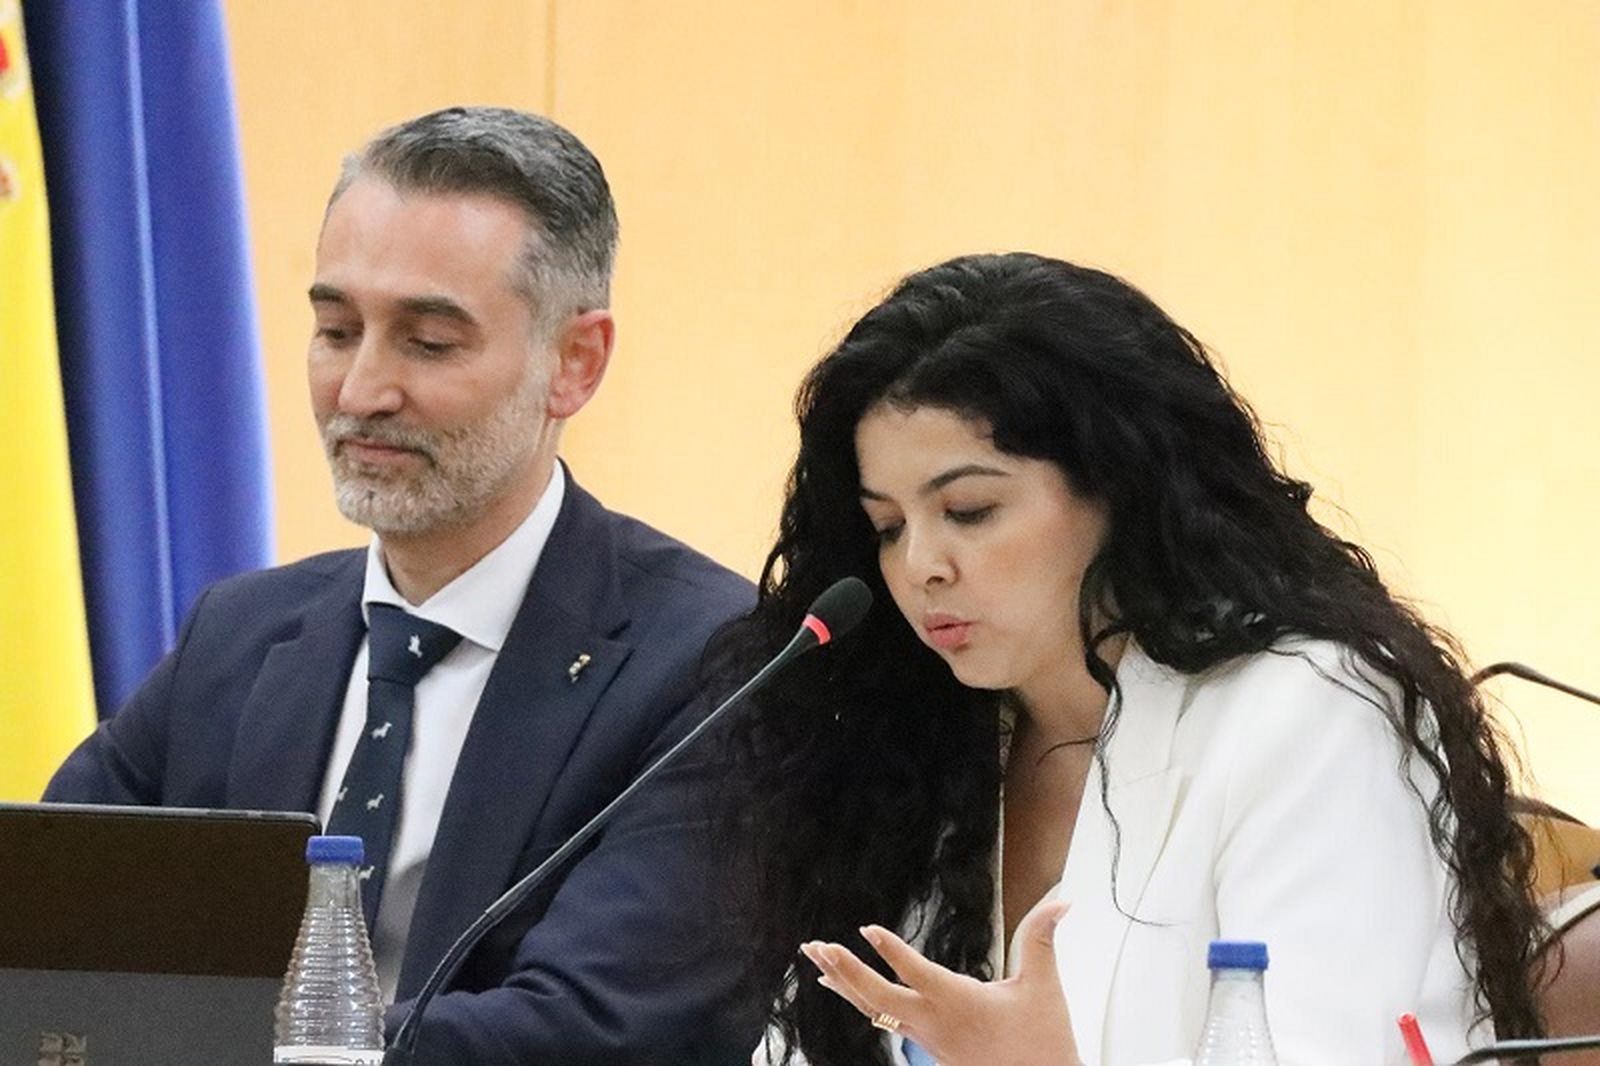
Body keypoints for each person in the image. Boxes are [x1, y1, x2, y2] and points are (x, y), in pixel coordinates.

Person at [47, 107, 756, 1065]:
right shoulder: (242, 632)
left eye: (427, 343)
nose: (361, 390)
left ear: (575, 362)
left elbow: (593, 1030)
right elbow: (47, 929)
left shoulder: (713, 661)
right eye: (336, 330)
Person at [714, 253, 1546, 1065]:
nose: (920, 565)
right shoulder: (909, 744)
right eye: (888, 527)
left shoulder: (1312, 712)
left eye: (969, 510)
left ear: (1118, 488)